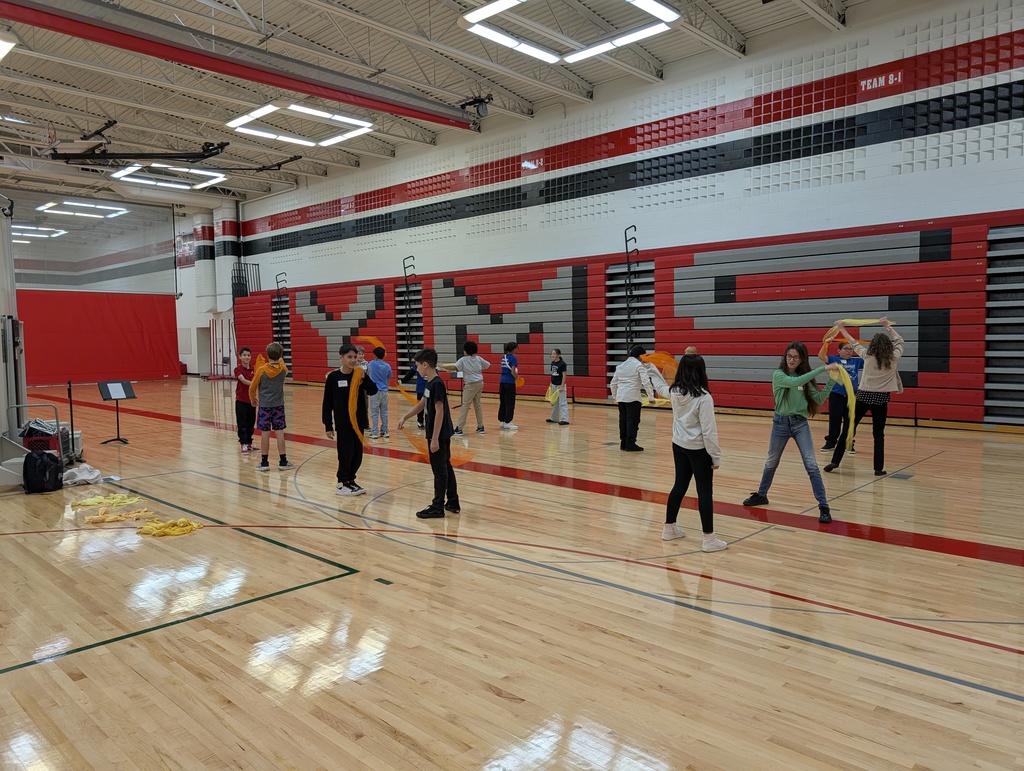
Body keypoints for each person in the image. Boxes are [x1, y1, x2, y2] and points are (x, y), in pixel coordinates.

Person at [742, 342, 840, 523]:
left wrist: (832, 380)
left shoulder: (805, 377)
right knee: (771, 461)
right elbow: (795, 382)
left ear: (801, 359)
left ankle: (824, 506)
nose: (791, 360)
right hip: (780, 424)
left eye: (795, 357)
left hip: (800, 424)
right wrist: (823, 369)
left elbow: (818, 398)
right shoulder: (779, 375)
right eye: (789, 356)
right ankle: (761, 495)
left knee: (811, 464)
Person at [654, 353, 727, 552]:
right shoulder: (703, 397)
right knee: (704, 491)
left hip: (678, 445)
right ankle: (709, 539)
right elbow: (709, 431)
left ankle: (669, 528)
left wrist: (652, 372)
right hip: (698, 449)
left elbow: (661, 390)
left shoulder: (675, 391)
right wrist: (715, 456)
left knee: (680, 485)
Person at [824, 318, 904, 476]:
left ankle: (835, 461)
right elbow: (900, 341)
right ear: (888, 346)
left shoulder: (867, 355)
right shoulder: (894, 357)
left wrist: (842, 328)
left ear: (872, 345)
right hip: (881, 400)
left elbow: (852, 342)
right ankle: (878, 468)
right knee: (878, 435)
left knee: (848, 429)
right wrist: (887, 327)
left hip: (863, 397)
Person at [398, 348, 459, 519]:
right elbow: (422, 404)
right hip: (439, 433)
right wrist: (405, 416)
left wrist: (434, 439)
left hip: (438, 434)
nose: (416, 369)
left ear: (425, 365)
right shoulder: (430, 383)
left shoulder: (437, 383)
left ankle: (437, 506)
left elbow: (439, 411)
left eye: (417, 365)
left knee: (439, 470)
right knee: (445, 466)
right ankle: (452, 501)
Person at [323, 344, 378, 495]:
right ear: (341, 358)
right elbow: (327, 403)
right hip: (343, 422)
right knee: (346, 452)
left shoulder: (359, 374)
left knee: (357, 454)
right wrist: (328, 425)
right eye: (349, 357)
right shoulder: (334, 377)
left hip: (358, 422)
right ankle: (341, 483)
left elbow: (373, 391)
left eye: (355, 357)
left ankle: (351, 480)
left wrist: (364, 379)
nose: (353, 360)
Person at [249, 342, 294, 471]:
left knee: (265, 434)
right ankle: (283, 461)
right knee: (280, 433)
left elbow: (252, 387)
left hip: (264, 407)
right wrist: (280, 358)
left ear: (267, 355)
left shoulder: (261, 370)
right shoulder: (283, 370)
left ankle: (264, 463)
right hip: (278, 406)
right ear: (280, 355)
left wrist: (253, 399)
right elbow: (282, 363)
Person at [818, 340, 863, 454]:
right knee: (835, 420)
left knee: (850, 421)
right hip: (837, 395)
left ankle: (848, 443)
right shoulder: (834, 359)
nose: (849, 351)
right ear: (839, 350)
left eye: (850, 349)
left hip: (852, 396)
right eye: (846, 349)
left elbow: (870, 359)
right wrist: (826, 344)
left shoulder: (856, 361)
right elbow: (821, 356)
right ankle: (831, 442)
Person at [609, 344, 656, 451]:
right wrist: (651, 397)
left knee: (623, 420)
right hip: (633, 397)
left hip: (621, 397)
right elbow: (646, 382)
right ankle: (630, 443)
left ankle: (623, 443)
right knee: (633, 421)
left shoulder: (620, 366)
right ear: (640, 355)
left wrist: (615, 396)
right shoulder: (639, 366)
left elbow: (613, 383)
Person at [445, 340, 490, 435]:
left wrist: (442, 367)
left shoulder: (463, 360)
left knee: (465, 405)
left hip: (470, 385)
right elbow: (488, 365)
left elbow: (454, 368)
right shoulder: (478, 359)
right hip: (480, 383)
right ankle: (481, 427)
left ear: (466, 350)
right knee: (477, 405)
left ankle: (459, 429)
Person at [366, 346, 392, 440]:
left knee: (374, 413)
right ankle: (385, 431)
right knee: (384, 412)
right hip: (384, 391)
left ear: (375, 355)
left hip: (375, 391)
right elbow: (388, 377)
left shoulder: (372, 364)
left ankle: (374, 432)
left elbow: (368, 372)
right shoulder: (388, 366)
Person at [234, 346, 256, 453]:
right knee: (242, 423)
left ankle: (249, 443)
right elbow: (243, 381)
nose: (246, 357)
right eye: (244, 355)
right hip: (241, 400)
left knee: (251, 423)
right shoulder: (237, 369)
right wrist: (256, 383)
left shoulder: (254, 369)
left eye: (248, 355)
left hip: (251, 400)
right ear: (240, 357)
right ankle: (243, 444)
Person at [498, 341, 519, 431]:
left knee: (503, 402)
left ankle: (502, 421)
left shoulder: (504, 357)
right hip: (510, 382)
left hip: (502, 382)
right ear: (514, 349)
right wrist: (517, 377)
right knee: (510, 403)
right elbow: (512, 371)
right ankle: (508, 422)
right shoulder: (513, 358)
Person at [545, 348, 570, 425]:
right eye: (552, 354)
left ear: (558, 355)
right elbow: (552, 374)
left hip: (560, 385)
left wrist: (562, 386)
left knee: (562, 402)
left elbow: (564, 376)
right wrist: (550, 383)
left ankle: (565, 419)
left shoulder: (562, 364)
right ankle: (554, 418)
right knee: (554, 402)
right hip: (553, 385)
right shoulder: (553, 363)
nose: (553, 355)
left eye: (554, 354)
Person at [401, 362, 428, 428]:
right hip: (421, 388)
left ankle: (427, 423)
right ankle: (420, 422)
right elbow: (411, 373)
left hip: (428, 388)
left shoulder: (429, 364)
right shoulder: (417, 364)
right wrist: (402, 381)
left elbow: (411, 373)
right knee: (420, 406)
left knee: (428, 407)